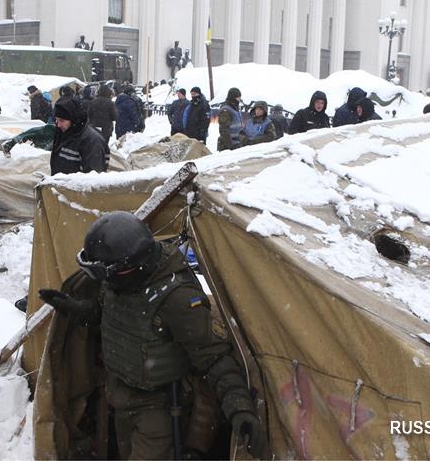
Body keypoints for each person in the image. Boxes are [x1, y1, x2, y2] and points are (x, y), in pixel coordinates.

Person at [38, 212, 265, 460]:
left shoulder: (176, 298)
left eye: (106, 275)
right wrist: (72, 309)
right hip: (119, 397)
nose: (104, 282)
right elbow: (105, 317)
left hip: (157, 410)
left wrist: (239, 408)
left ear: (131, 267)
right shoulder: (118, 280)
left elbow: (214, 357)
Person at [50, 98, 109, 175]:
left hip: (73, 186)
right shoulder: (64, 133)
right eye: (56, 120)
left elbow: (92, 178)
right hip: (61, 185)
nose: (58, 125)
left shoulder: (92, 141)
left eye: (62, 120)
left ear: (73, 119)